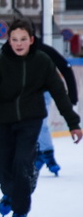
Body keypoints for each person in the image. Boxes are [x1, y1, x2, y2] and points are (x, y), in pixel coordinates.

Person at [0, 18, 81, 217]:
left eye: (23, 39)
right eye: (14, 39)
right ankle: (12, 193)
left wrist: (73, 123)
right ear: (9, 41)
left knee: (22, 163)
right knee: (0, 167)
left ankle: (20, 210)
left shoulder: (42, 62)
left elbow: (59, 93)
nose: (19, 44)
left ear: (31, 40)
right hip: (4, 123)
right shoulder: (1, 63)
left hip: (31, 121)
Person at [33, 40, 79, 175]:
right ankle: (39, 154)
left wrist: (72, 96)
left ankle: (46, 154)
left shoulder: (43, 50)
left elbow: (65, 67)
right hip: (21, 94)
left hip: (42, 92)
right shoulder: (12, 51)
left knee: (40, 122)